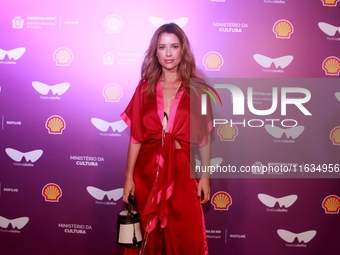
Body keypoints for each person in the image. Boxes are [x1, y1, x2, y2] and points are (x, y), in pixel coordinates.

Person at [120, 22, 213, 255]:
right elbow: (136, 138)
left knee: (184, 235)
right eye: (162, 47)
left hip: (182, 171)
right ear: (156, 52)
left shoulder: (198, 90)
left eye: (174, 46)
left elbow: (203, 139)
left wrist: (205, 177)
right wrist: (128, 177)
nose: (168, 53)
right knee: (147, 238)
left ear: (183, 50)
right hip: (147, 172)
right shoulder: (144, 89)